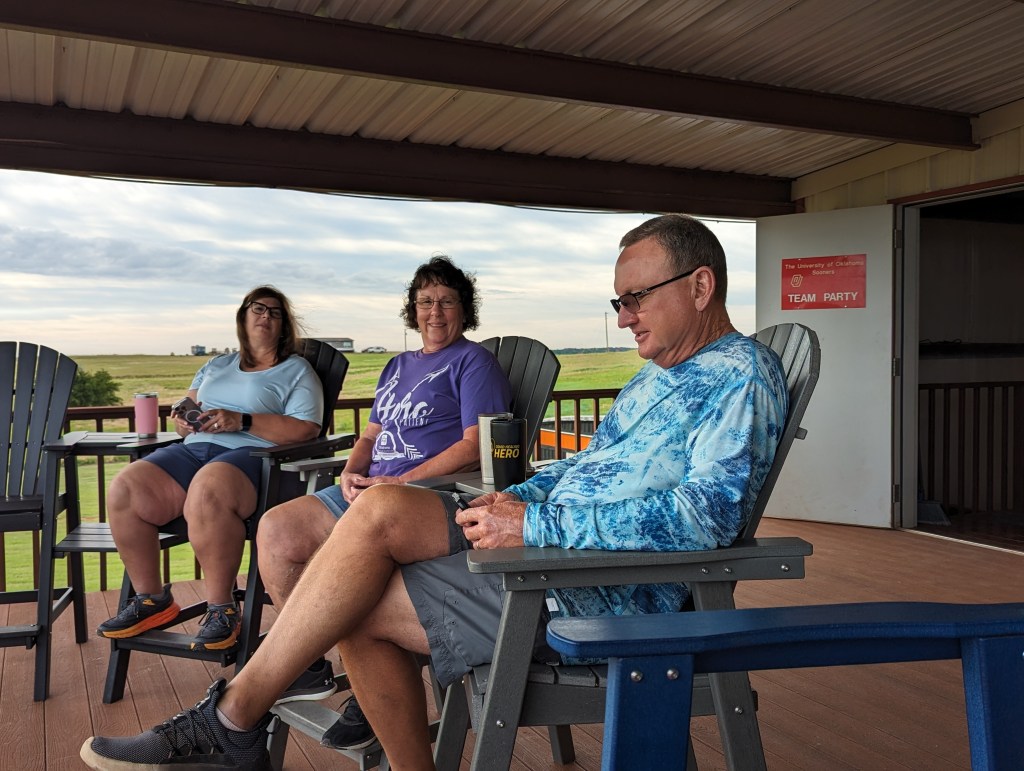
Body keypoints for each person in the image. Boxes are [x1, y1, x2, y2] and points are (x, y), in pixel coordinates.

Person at [81, 214, 789, 771]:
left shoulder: (741, 376)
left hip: (595, 591)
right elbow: (589, 470)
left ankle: (233, 715)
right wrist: (519, 498)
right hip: (542, 550)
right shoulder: (654, 379)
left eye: (637, 296)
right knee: (349, 582)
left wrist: (539, 527)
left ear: (700, 287)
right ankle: (244, 719)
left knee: (360, 567)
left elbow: (705, 517)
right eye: (619, 299)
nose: (625, 313)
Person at [257, 256, 512, 743]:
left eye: (446, 301)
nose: (434, 312)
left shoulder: (472, 362)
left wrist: (399, 484)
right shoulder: (397, 366)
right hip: (370, 490)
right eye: (424, 302)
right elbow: (371, 435)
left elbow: (473, 445)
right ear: (412, 311)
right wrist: (353, 472)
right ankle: (308, 663)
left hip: (422, 498)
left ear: (465, 309)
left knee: (362, 579)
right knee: (276, 530)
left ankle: (367, 686)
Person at [95, 286, 324, 652]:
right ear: (243, 317)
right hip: (195, 450)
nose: (266, 316)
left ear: (284, 326)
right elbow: (186, 413)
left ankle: (222, 609)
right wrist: (184, 421)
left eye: (275, 312)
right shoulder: (216, 365)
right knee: (126, 486)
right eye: (258, 309)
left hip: (258, 460)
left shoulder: (296, 371)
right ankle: (151, 600)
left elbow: (306, 428)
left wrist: (243, 421)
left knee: (208, 488)